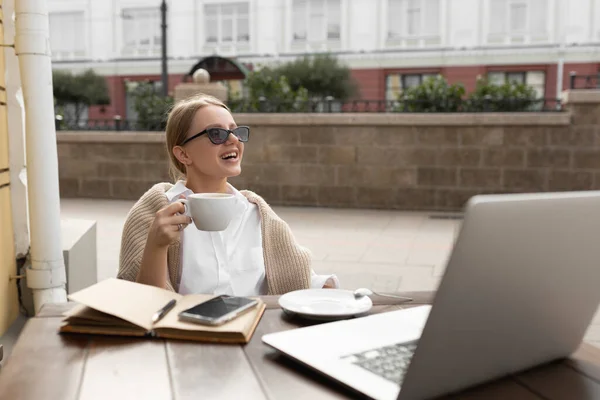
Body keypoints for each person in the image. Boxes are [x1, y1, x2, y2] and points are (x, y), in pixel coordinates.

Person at [117, 93, 339, 295]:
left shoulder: (257, 213)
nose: (233, 140)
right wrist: (156, 245)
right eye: (216, 133)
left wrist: (333, 293)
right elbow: (139, 304)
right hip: (186, 336)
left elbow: (298, 278)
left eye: (235, 131)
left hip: (253, 333)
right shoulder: (154, 214)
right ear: (183, 154)